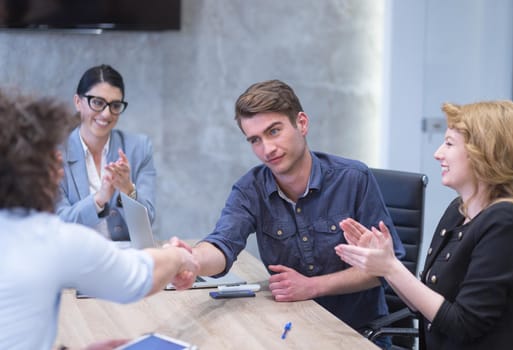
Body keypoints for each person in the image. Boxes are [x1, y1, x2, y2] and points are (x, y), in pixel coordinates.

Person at [174, 79, 405, 342]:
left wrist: (312, 287)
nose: (266, 149)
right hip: (291, 329)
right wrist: (191, 261)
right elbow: (223, 243)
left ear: (302, 123)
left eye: (274, 131)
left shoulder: (353, 179)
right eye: (255, 140)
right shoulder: (250, 189)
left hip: (357, 333)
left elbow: (387, 267)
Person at [0, 90, 198, 350]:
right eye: (50, 152)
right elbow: (138, 277)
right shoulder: (50, 239)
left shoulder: (138, 148)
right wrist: (180, 256)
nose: (60, 159)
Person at [335, 101, 513, 349]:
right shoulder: (458, 210)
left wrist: (391, 267)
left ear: (485, 151)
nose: (438, 154)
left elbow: (464, 325)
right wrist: (383, 263)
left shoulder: (506, 221)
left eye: (449, 143)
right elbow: (423, 305)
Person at [56, 64, 156, 242]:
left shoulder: (139, 148)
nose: (106, 114)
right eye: (97, 103)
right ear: (78, 102)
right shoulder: (55, 153)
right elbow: (57, 224)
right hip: (73, 257)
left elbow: (147, 223)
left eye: (115, 105)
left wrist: (128, 190)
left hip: (123, 258)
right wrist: (99, 199)